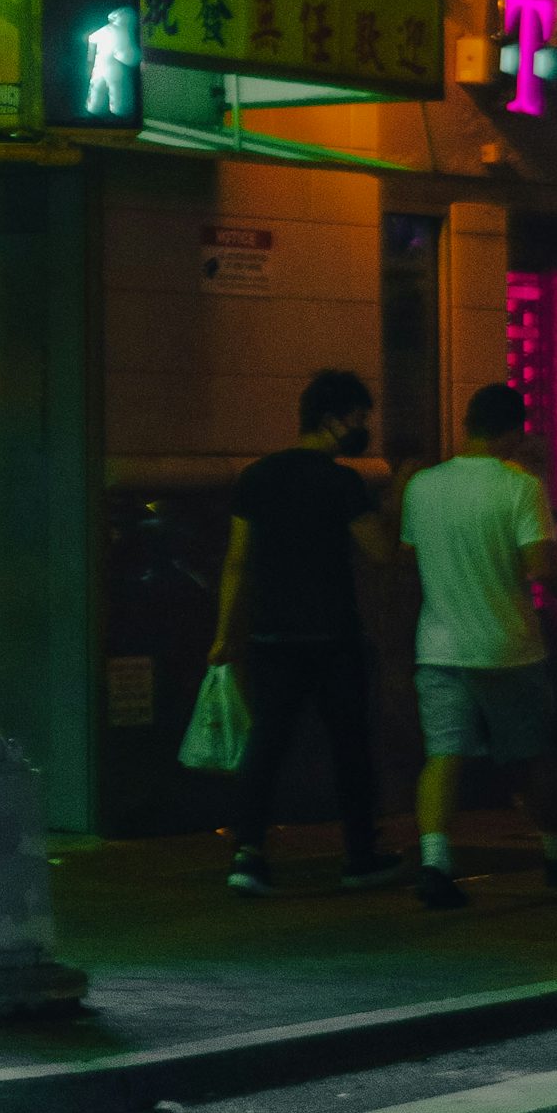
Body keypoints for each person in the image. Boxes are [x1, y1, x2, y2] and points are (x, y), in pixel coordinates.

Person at [401, 382, 557, 909]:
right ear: (514, 431)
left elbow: (409, 555)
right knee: (531, 755)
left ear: (470, 425)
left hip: (438, 646)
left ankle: (434, 863)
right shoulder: (520, 488)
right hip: (508, 648)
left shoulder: (423, 486)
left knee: (442, 756)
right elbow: (541, 568)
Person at [208, 368, 402, 893]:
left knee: (265, 744)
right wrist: (392, 503)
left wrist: (224, 634)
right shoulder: (342, 482)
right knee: (349, 747)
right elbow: (381, 553)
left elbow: (236, 562)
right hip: (333, 636)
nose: (364, 428)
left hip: (271, 637)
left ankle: (247, 855)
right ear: (333, 420)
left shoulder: (256, 477)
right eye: (360, 418)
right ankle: (359, 856)